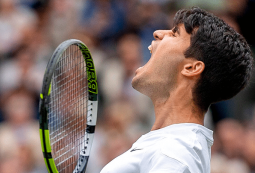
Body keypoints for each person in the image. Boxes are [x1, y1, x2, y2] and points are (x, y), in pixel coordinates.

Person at [100, 7, 253, 173]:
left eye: (174, 33)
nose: (158, 33)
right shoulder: (173, 149)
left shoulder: (173, 156)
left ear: (191, 68)